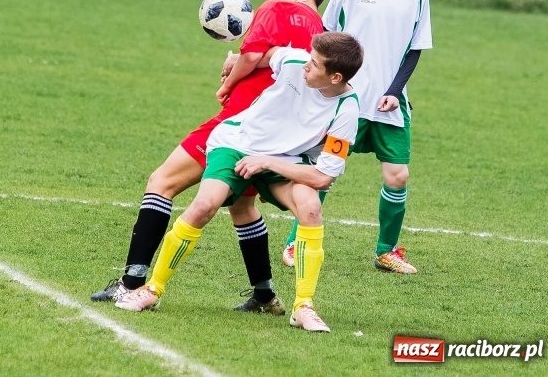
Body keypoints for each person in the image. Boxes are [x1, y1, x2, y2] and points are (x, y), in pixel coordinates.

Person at [91, 0, 337, 314]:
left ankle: (131, 283)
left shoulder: (276, 8)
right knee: (241, 205)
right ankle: (265, 295)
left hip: (239, 124)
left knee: (161, 181)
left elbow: (254, 54)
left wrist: (228, 81)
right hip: (279, 138)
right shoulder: (322, 35)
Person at [114, 32, 364, 334]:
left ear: (335, 77)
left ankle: (304, 306)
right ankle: (152, 290)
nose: (306, 66)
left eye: (315, 65)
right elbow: (268, 54)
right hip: (237, 142)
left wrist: (268, 162)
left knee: (310, 209)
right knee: (205, 204)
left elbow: (323, 177)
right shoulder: (295, 60)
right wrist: (234, 60)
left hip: (283, 159)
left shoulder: (347, 109)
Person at [281, 0, 433, 274]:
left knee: (398, 175)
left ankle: (387, 251)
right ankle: (294, 243)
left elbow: (415, 49)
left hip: (389, 103)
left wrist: (395, 92)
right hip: (346, 101)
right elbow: (327, 33)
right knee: (323, 172)